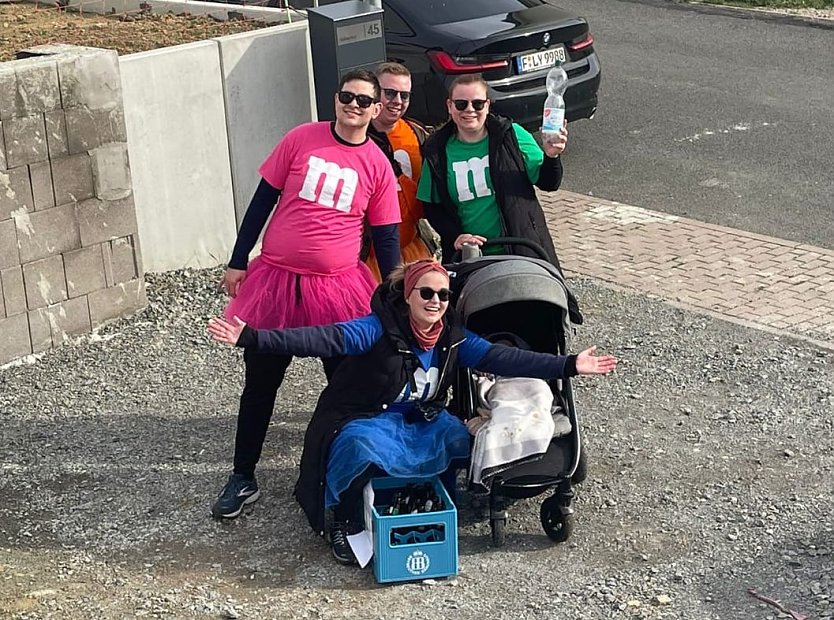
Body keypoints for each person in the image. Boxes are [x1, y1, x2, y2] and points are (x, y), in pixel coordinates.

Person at [207, 259, 617, 564]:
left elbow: (506, 358)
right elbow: (324, 339)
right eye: (426, 292)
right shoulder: (375, 328)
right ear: (408, 296)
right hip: (369, 415)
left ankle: (426, 501)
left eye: (443, 295)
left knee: (462, 439)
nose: (436, 301)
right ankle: (345, 520)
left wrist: (569, 365)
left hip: (420, 417)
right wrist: (254, 337)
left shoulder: (455, 339)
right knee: (359, 448)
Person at [211, 69, 402, 520]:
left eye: (363, 100)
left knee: (345, 385)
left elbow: (387, 237)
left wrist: (396, 293)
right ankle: (243, 476)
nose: (353, 106)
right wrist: (239, 259)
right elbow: (261, 202)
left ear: (376, 109)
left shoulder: (376, 164)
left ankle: (342, 474)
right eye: (346, 97)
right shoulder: (301, 139)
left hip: (338, 288)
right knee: (260, 382)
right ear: (335, 100)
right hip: (276, 282)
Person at [415, 74, 582, 322]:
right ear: (449, 107)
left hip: (522, 248)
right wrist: (455, 235)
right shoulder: (437, 150)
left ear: (488, 105)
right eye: (461, 104)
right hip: (472, 257)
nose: (469, 110)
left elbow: (548, 182)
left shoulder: (512, 136)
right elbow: (432, 205)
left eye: (477, 104)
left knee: (534, 323)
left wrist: (552, 156)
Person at [364, 62, 433, 280]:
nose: (398, 102)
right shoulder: (354, 134)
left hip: (411, 248)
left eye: (405, 95)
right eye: (390, 93)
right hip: (365, 257)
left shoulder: (417, 134)